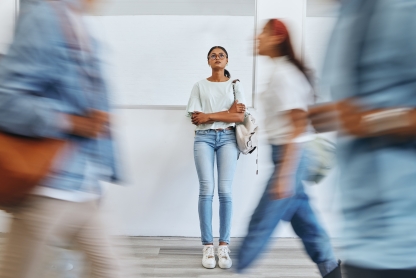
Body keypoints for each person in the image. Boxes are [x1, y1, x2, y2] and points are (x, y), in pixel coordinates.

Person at [0, 0, 122, 277]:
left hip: (83, 185)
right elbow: (6, 100)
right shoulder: (43, 17)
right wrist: (71, 122)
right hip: (48, 186)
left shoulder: (80, 25)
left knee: (112, 271)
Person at [309, 0, 416, 277]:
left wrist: (368, 121)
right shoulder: (347, 12)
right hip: (360, 235)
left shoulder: (404, 9)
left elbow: (361, 118)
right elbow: (352, 110)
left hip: (404, 240)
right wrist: (332, 116)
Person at [236, 19, 342, 278]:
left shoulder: (285, 75)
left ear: (276, 38)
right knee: (306, 222)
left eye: (262, 33)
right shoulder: (280, 71)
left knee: (261, 223)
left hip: (290, 156)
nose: (256, 38)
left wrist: (285, 173)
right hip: (288, 156)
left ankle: (236, 270)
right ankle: (331, 270)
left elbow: (297, 125)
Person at [186, 46, 246, 269]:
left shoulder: (235, 85)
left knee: (225, 192)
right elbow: (196, 118)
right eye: (213, 55)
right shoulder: (199, 86)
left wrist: (209, 115)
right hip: (203, 139)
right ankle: (207, 247)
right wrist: (226, 113)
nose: (217, 58)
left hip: (229, 138)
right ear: (208, 61)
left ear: (227, 60)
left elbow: (238, 116)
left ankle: (224, 245)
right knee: (206, 190)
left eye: (221, 55)